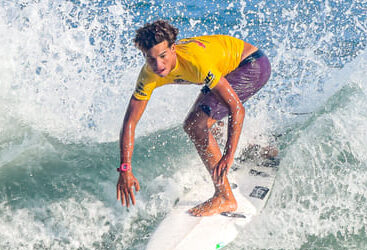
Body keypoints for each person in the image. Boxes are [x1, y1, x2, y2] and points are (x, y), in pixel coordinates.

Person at [116, 20, 271, 216]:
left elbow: (237, 108)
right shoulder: (149, 75)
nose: (158, 65)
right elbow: (130, 122)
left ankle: (225, 197)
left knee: (195, 125)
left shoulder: (194, 62)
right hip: (228, 69)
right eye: (150, 59)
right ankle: (258, 150)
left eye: (163, 56)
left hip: (251, 66)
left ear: (173, 49)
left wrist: (228, 156)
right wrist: (125, 168)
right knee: (202, 121)